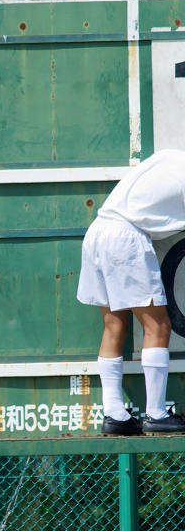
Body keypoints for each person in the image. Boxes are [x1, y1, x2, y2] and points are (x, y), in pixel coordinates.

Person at [77, 149, 185, 435]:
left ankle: (115, 415)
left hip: (98, 231)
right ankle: (157, 414)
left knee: (114, 325)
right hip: (125, 238)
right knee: (158, 325)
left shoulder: (168, 157)